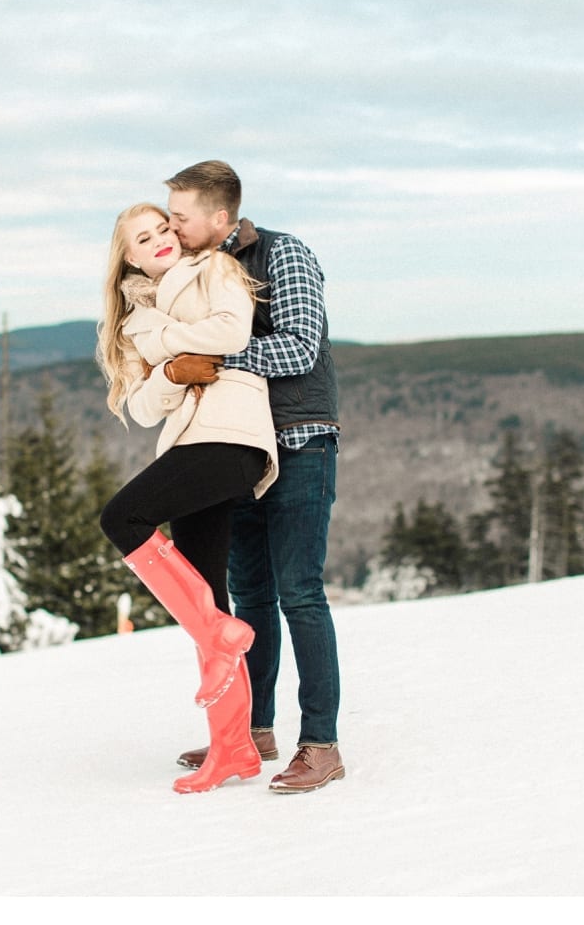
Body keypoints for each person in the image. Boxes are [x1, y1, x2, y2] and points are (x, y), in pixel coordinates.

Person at [163, 160, 345, 794]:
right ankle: (254, 730)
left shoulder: (282, 254)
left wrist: (213, 358)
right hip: (240, 450)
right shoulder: (195, 272)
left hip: (299, 441)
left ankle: (321, 744)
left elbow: (299, 345)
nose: (172, 228)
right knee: (250, 599)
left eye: (181, 217)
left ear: (220, 217)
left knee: (298, 592)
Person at [97, 201, 279, 795]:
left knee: (122, 515)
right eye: (142, 239)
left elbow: (232, 333)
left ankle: (220, 635)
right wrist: (174, 374)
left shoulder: (215, 270)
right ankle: (234, 749)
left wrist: (169, 349)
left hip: (232, 435)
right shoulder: (132, 321)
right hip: (188, 439)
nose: (158, 241)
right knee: (210, 600)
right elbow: (144, 407)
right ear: (128, 256)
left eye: (162, 229)